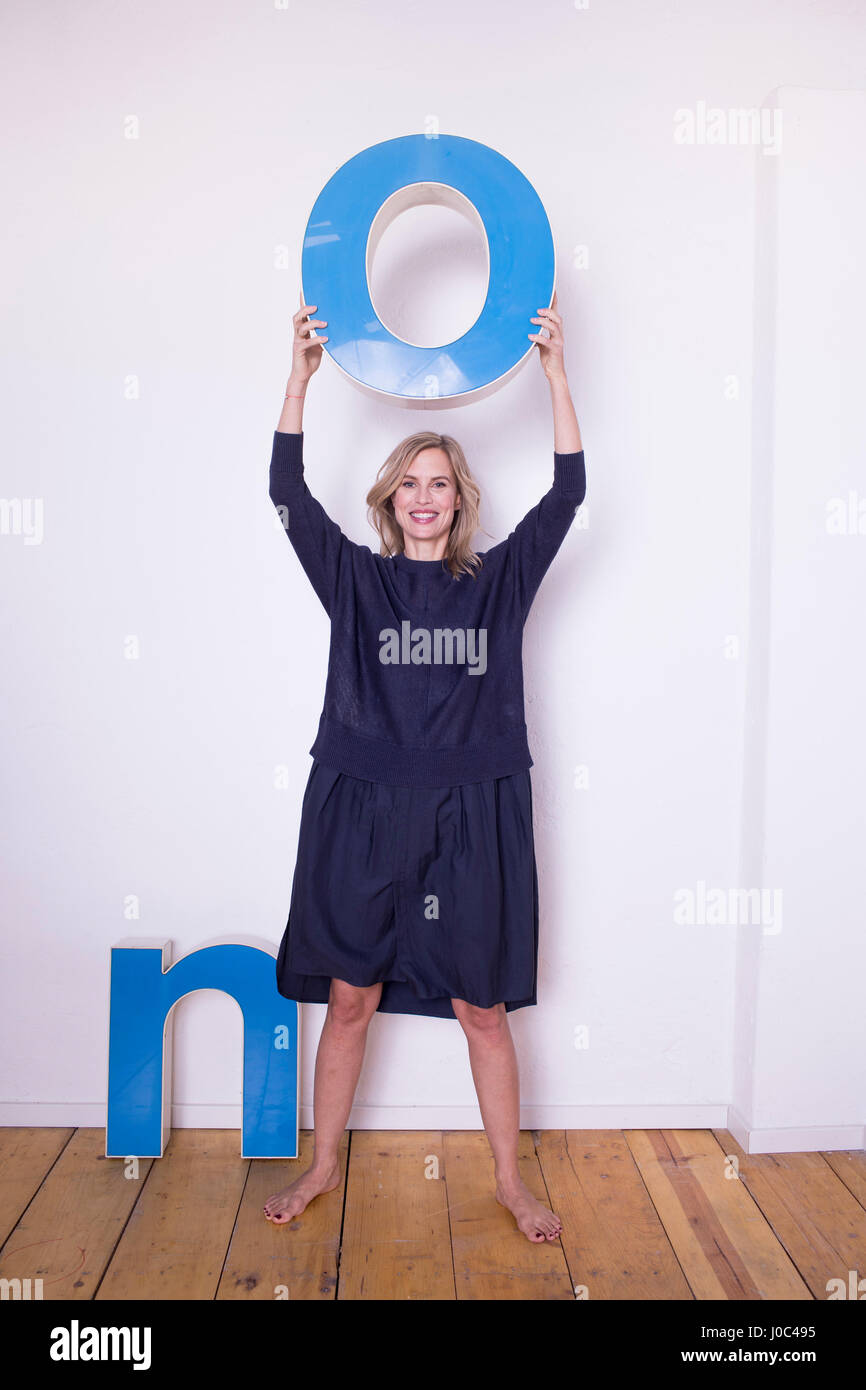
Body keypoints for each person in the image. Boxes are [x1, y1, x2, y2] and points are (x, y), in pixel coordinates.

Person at [263, 289, 585, 1244]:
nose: (424, 496)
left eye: (439, 482)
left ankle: (510, 1182)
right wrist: (299, 379)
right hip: (360, 806)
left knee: (482, 1008)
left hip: (472, 814)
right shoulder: (356, 581)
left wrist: (557, 376)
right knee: (350, 998)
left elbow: (569, 494)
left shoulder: (499, 582)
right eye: (409, 482)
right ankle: (324, 1164)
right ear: (390, 500)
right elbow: (287, 495)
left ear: (458, 500)